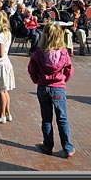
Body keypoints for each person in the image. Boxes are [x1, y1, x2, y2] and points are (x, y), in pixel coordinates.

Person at [28, 24, 76, 158]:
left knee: (46, 118)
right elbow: (69, 69)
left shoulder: (38, 53)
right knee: (62, 118)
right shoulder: (63, 52)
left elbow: (31, 69)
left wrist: (36, 79)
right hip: (58, 87)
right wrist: (64, 79)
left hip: (43, 86)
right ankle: (68, 147)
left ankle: (48, 145)